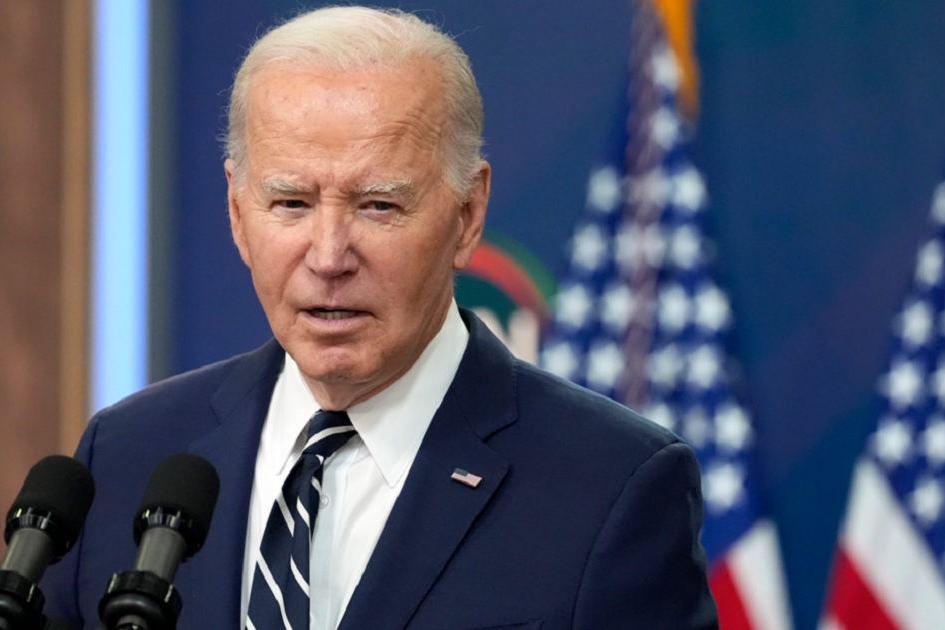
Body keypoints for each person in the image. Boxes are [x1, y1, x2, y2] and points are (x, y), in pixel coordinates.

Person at [42, 6, 718, 629]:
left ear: (468, 213)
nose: (330, 255)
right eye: (291, 204)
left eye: (378, 206)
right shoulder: (131, 452)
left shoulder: (612, 488)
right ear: (236, 211)